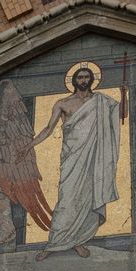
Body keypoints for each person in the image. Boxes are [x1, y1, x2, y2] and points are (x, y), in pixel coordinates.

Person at [33, 64, 125, 257]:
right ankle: (53, 244)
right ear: (74, 80)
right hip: (72, 158)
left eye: (86, 77)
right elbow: (48, 129)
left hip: (93, 158)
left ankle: (78, 241)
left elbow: (121, 114)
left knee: (88, 199)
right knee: (67, 199)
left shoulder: (101, 101)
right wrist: (29, 146)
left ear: (91, 80)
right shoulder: (63, 103)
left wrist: (124, 94)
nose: (83, 80)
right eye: (80, 77)